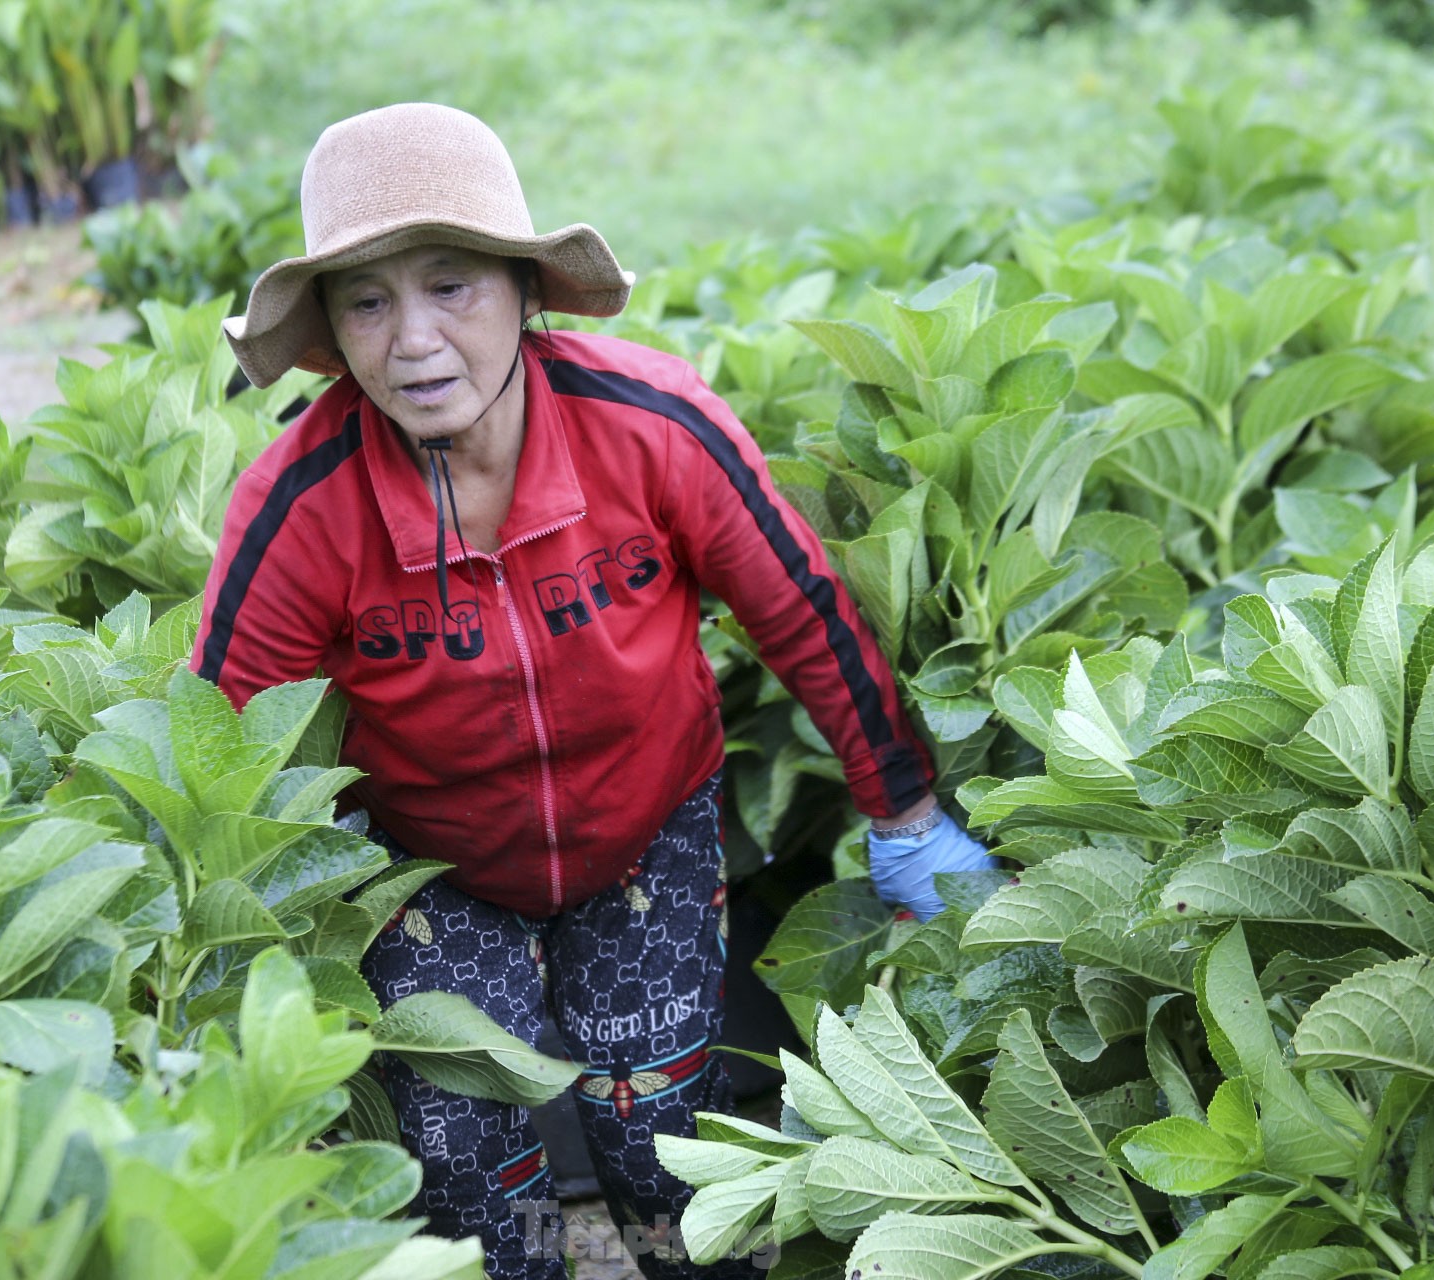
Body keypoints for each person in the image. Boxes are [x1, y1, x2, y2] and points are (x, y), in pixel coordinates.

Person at [192, 103, 992, 1280]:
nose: (412, 338)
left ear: (525, 290)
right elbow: (220, 748)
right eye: (368, 300)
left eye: (450, 284)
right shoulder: (301, 504)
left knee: (662, 1139)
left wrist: (908, 816)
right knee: (464, 1161)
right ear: (334, 331)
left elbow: (801, 611)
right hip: (431, 864)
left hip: (646, 826)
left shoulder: (652, 426)